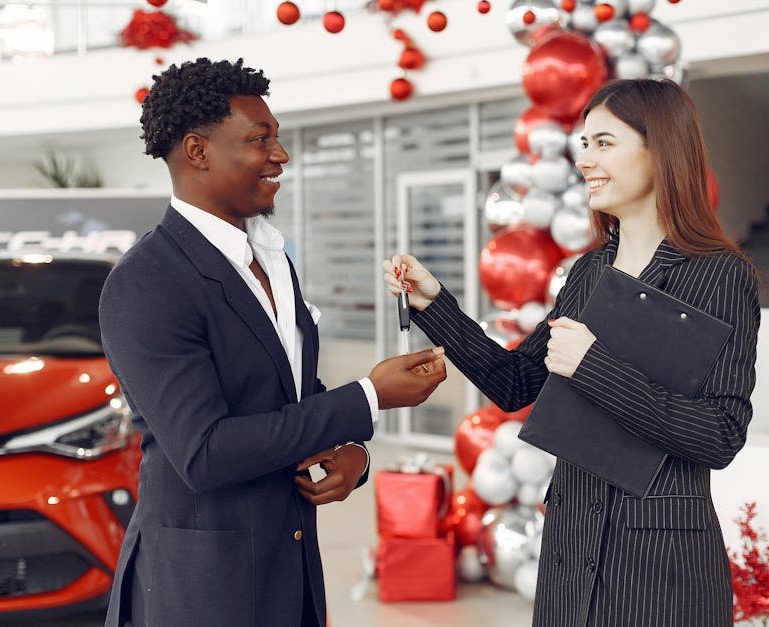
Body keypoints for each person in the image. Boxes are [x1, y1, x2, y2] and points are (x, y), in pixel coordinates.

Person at [383, 78, 760, 627]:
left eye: (604, 143)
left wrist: (593, 367)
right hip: (568, 550)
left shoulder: (721, 275)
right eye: (584, 144)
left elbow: (720, 435)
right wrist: (433, 303)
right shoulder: (588, 273)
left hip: (662, 566)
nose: (585, 159)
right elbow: (515, 383)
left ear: (661, 150)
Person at [99, 57, 446, 627]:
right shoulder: (146, 282)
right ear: (198, 151)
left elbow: (293, 395)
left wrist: (353, 456)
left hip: (292, 573)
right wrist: (368, 398)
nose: (280, 156)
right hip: (203, 591)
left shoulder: (272, 258)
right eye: (261, 140)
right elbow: (204, 453)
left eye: (277, 139)